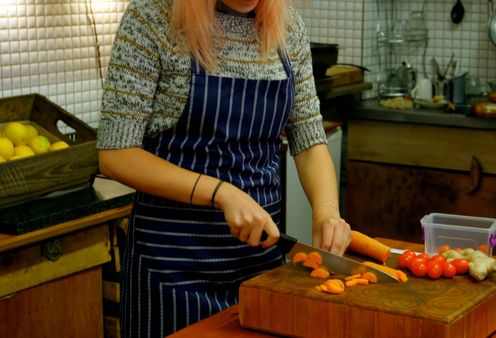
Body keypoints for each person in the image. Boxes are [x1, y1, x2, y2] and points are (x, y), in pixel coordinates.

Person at [96, 0, 352, 336]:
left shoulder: (286, 25)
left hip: (260, 268)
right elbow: (117, 153)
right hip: (173, 270)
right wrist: (220, 192)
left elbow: (308, 135)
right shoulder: (152, 18)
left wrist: (326, 212)